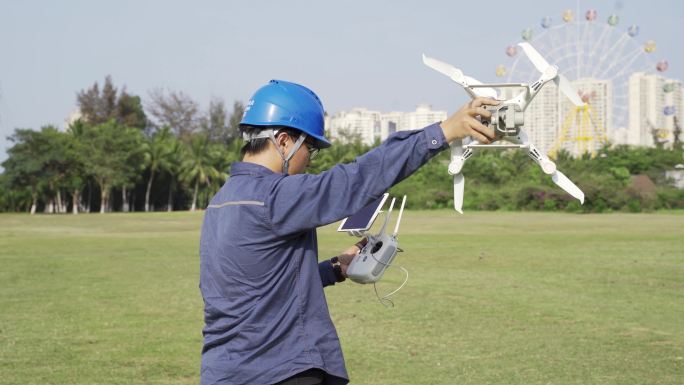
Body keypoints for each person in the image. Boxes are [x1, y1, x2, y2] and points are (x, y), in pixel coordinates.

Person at [199, 79, 498, 385]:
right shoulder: (276, 195)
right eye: (311, 148)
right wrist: (444, 132)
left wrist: (334, 269)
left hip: (225, 372)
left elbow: (258, 289)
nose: (309, 160)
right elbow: (358, 178)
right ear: (284, 140)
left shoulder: (221, 203)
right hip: (280, 369)